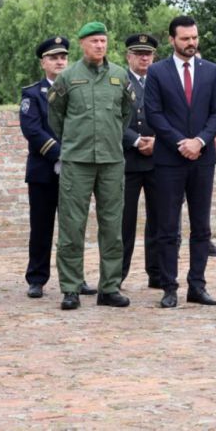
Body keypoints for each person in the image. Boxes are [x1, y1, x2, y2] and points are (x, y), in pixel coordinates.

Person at [48, 22, 133, 310]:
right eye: (94, 41)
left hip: (111, 161)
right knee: (72, 226)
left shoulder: (119, 75)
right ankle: (71, 288)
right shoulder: (68, 77)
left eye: (103, 41)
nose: (99, 45)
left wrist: (111, 137)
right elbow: (55, 117)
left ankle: (109, 287)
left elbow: (126, 113)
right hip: (77, 161)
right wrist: (74, 141)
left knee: (112, 227)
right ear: (82, 43)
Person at [144, 15, 216, 308]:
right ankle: (169, 287)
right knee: (167, 227)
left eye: (194, 37)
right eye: (185, 38)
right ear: (172, 40)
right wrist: (181, 142)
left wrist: (199, 141)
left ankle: (197, 285)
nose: (191, 43)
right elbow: (154, 114)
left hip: (203, 159)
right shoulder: (157, 72)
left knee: (201, 226)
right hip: (169, 159)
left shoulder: (211, 71)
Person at [20, 36, 97, 299]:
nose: (60, 62)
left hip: (76, 170)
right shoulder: (32, 93)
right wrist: (61, 154)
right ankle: (37, 278)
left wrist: (73, 156)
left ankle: (75, 277)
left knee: (74, 227)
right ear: (43, 63)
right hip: (43, 171)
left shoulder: (80, 89)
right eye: (53, 58)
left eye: (63, 57)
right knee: (41, 227)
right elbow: (32, 130)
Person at [120, 33, 162, 288]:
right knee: (123, 223)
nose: (144, 58)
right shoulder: (118, 81)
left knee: (159, 220)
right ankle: (117, 275)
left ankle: (157, 274)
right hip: (128, 160)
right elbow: (112, 118)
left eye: (148, 54)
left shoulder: (161, 80)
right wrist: (136, 141)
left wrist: (158, 141)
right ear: (129, 56)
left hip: (158, 158)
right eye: (139, 54)